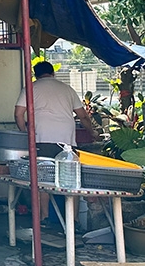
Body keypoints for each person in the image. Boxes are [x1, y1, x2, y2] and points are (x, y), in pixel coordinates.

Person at [14, 61, 99, 223]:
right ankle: (73, 220)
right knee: (71, 181)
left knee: (43, 179)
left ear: (35, 74)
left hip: (41, 138)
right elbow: (83, 116)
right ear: (53, 73)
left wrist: (24, 133)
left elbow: (18, 114)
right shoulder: (67, 89)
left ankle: (44, 217)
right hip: (67, 141)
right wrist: (92, 132)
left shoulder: (31, 88)